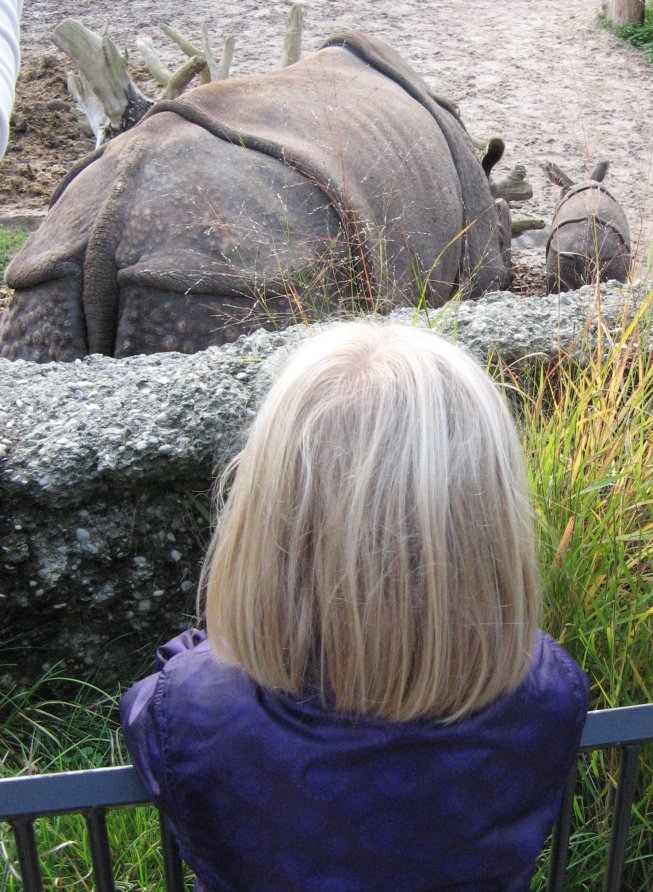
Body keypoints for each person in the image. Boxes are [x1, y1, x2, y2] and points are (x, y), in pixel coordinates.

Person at [121, 321, 589, 891]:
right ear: (485, 528)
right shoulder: (550, 696)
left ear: (266, 521)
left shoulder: (192, 712)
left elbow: (155, 700)